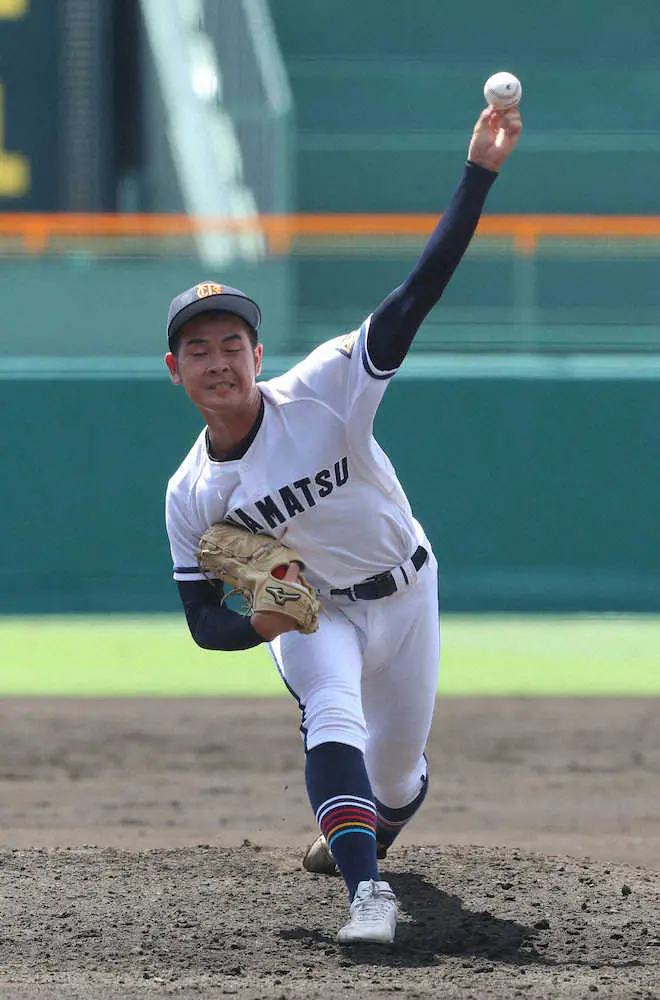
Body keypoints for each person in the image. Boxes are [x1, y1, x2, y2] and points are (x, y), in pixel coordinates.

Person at [164, 102, 522, 945]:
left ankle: (368, 832)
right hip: (316, 607)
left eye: (233, 343)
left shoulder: (326, 388)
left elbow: (418, 291)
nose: (220, 360)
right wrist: (261, 621)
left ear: (258, 353)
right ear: (174, 370)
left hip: (407, 585)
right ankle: (369, 895)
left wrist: (479, 174)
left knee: (396, 778)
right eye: (200, 349)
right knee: (331, 712)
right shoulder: (193, 495)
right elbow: (201, 621)